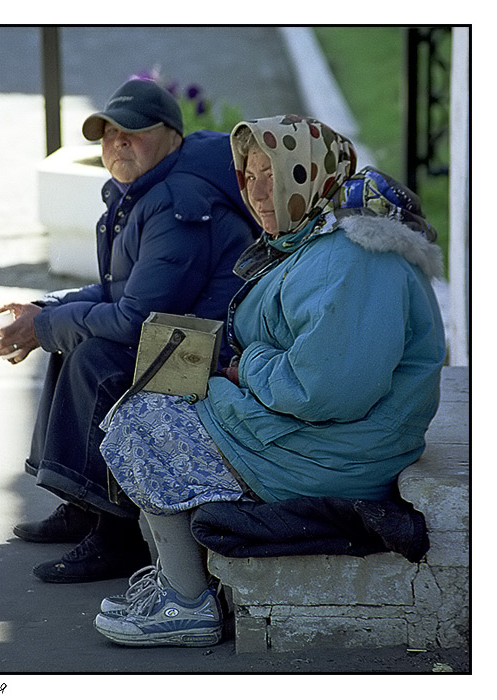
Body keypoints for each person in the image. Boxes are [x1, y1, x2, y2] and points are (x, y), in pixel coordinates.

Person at [92, 114, 446, 647]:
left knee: (147, 423)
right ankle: (175, 579)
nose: (256, 190)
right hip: (318, 435)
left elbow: (324, 390)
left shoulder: (352, 261)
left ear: (308, 174)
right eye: (249, 174)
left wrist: (246, 368)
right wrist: (239, 373)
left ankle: (187, 604)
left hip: (337, 451)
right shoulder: (316, 239)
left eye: (272, 174)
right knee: (154, 398)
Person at [0, 79, 257, 583]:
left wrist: (46, 327)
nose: (117, 143)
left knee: (95, 358)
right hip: (172, 338)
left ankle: (116, 533)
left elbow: (137, 320)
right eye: (108, 134)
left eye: (132, 133)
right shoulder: (143, 192)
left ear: (172, 136)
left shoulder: (180, 205)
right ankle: (82, 502)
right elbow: (119, 293)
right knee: (71, 341)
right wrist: (46, 309)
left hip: (206, 355)